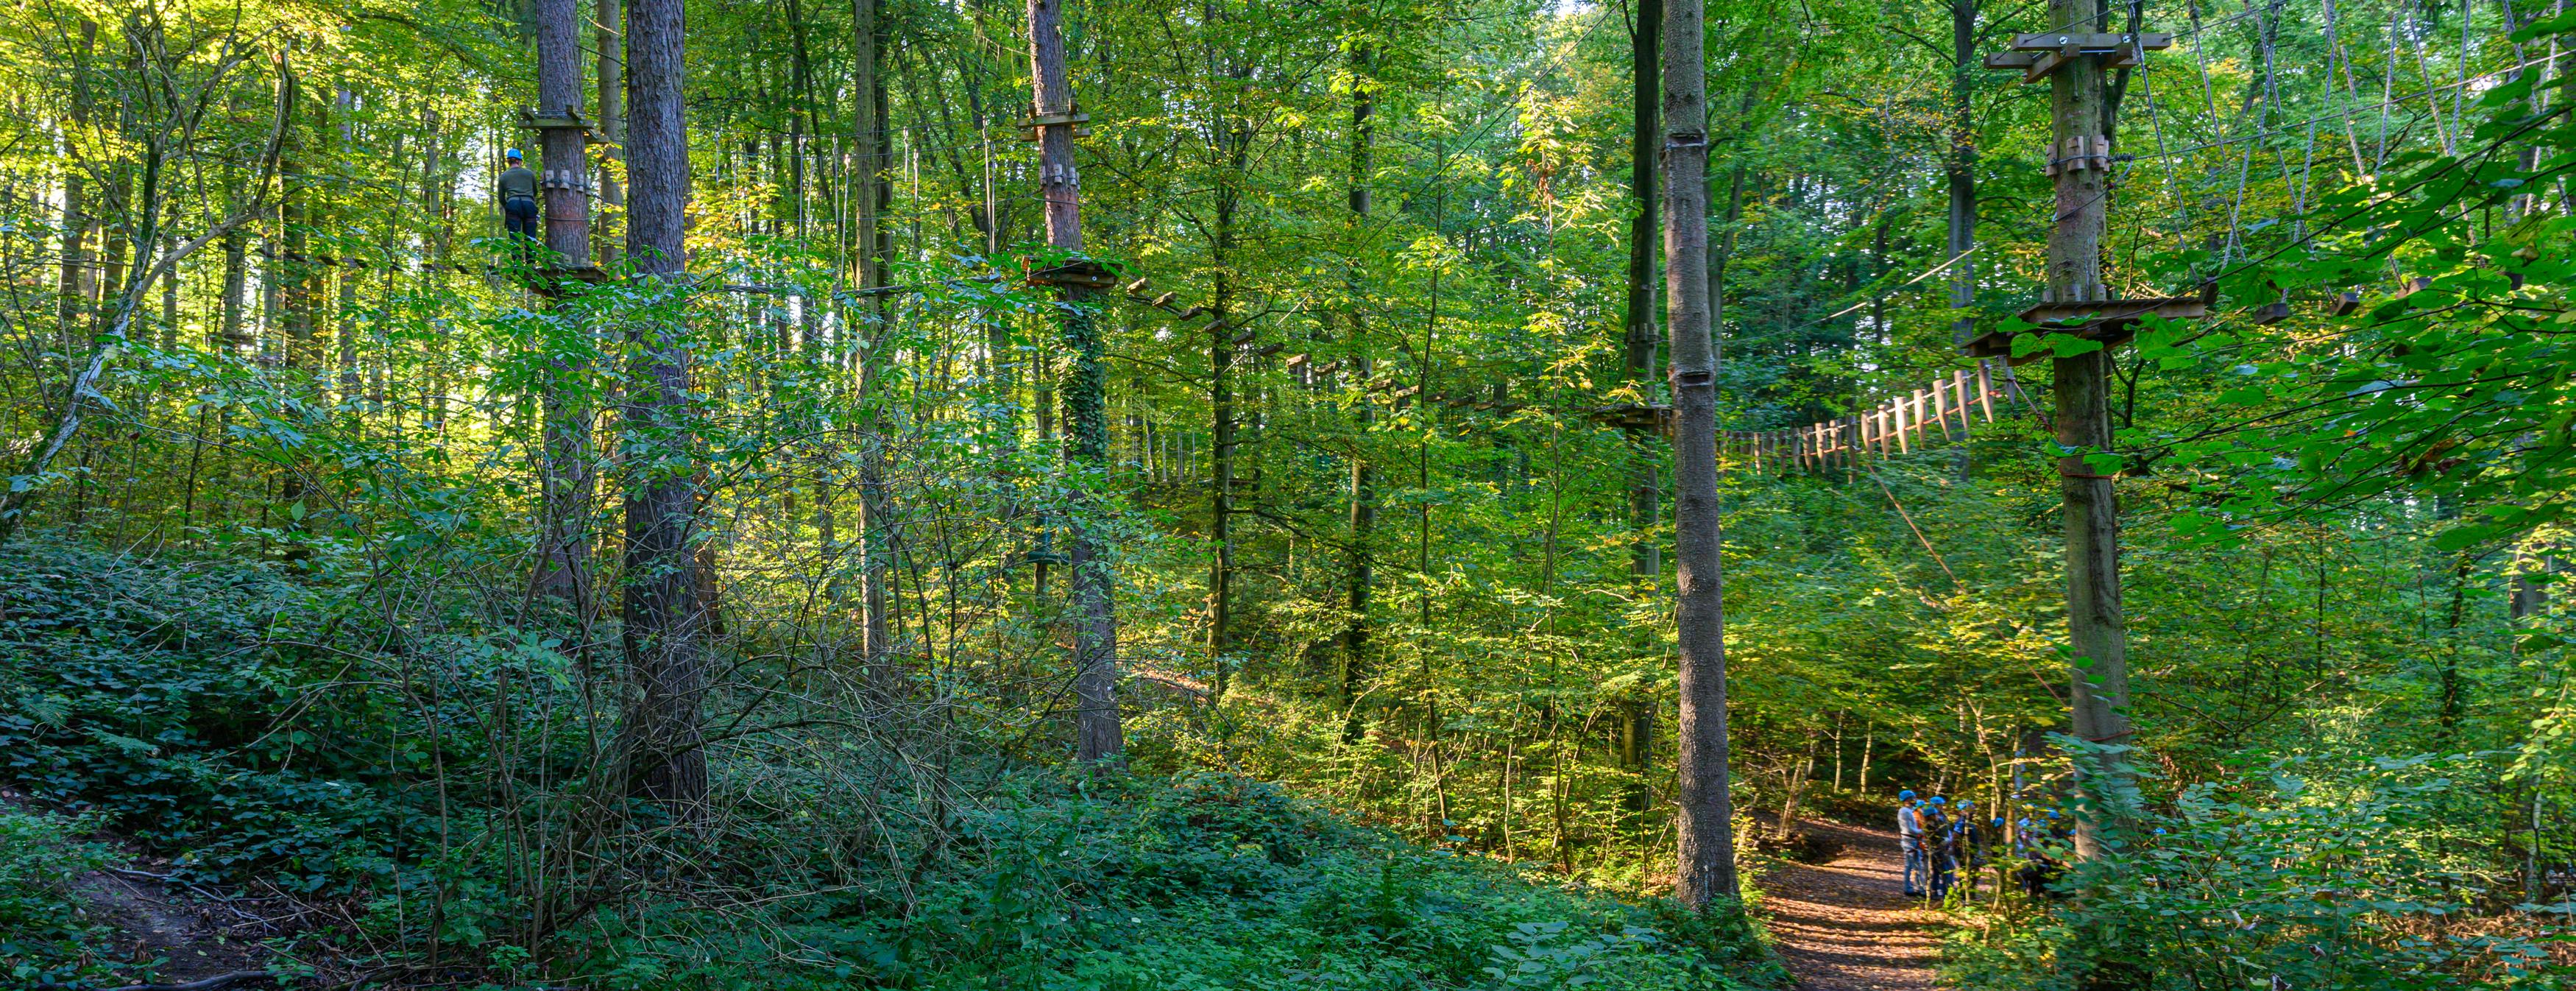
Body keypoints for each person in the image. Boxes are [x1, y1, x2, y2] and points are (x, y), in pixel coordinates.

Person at [499, 149, 541, 245]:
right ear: (519, 161)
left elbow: (501, 198)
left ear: (508, 161)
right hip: (529, 204)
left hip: (513, 205)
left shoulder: (503, 176)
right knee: (530, 238)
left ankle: (516, 260)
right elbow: (535, 192)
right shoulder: (529, 174)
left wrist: (509, 206)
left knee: (514, 239)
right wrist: (529, 200)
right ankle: (531, 260)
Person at [1921, 797, 1955, 900]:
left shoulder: (1939, 821)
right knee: (1946, 872)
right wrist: (1945, 842)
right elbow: (1937, 840)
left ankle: (1936, 891)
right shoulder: (1930, 826)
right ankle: (1945, 893)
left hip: (1939, 851)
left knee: (1936, 872)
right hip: (1938, 852)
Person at [1896, 790, 1925, 896]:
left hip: (1913, 840)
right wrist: (1922, 832)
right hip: (1909, 841)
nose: (1915, 799)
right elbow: (1909, 829)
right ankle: (1913, 889)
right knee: (1913, 865)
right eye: (1913, 798)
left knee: (1914, 865)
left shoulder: (1909, 811)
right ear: (1907, 799)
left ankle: (1915, 888)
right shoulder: (1905, 811)